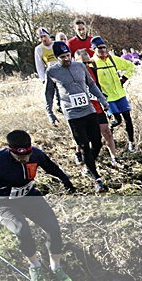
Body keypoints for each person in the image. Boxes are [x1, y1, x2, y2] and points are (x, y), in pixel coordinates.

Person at [0, 130, 76, 281]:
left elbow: (51, 167)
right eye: (20, 158)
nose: (26, 159)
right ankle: (34, 266)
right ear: (10, 151)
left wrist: (66, 180)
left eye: (28, 155)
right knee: (23, 230)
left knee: (53, 229)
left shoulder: (35, 154)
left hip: (29, 196)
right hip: (4, 203)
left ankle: (56, 267)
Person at [45, 41, 109, 193]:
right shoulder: (52, 71)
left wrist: (102, 99)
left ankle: (88, 165)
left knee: (97, 143)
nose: (66, 59)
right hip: (73, 114)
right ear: (56, 57)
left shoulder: (80, 66)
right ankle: (97, 179)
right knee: (85, 146)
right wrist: (50, 113)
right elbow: (49, 93)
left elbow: (91, 84)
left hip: (89, 110)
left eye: (68, 55)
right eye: (62, 57)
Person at [73, 48, 122, 167]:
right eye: (82, 63)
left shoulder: (92, 70)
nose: (85, 65)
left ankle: (114, 158)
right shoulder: (72, 73)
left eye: (87, 62)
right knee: (84, 137)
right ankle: (79, 153)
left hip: (96, 106)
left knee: (107, 132)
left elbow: (97, 86)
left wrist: (103, 100)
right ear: (75, 61)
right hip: (82, 109)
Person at [91, 36, 137, 152]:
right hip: (108, 98)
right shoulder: (92, 63)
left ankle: (131, 143)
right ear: (93, 49)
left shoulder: (112, 59)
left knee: (128, 119)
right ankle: (110, 135)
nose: (102, 50)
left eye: (104, 48)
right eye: (99, 48)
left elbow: (130, 66)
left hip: (120, 95)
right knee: (118, 120)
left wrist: (123, 79)